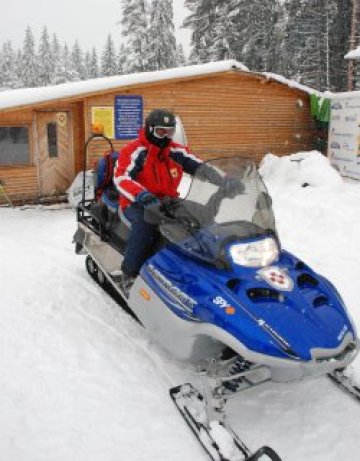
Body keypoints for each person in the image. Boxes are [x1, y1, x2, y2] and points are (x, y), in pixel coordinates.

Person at [113, 109, 206, 295]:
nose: (165, 137)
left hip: (168, 200)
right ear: (150, 129)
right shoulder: (135, 150)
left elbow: (202, 167)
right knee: (147, 226)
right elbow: (121, 177)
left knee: (201, 217)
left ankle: (201, 267)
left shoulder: (175, 151)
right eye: (160, 132)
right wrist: (142, 194)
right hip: (137, 201)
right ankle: (129, 274)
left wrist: (226, 180)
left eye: (169, 132)